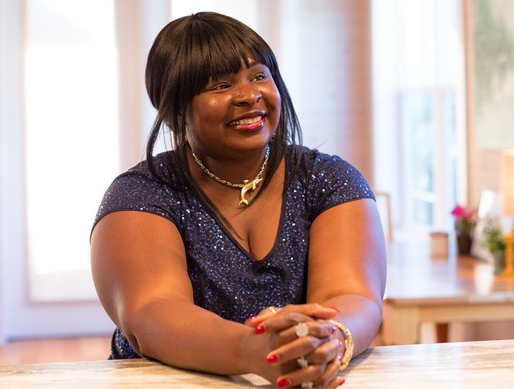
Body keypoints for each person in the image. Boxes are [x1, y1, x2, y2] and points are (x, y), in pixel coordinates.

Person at [91, 11, 386, 389]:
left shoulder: (329, 179)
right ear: (174, 108)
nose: (249, 95)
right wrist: (257, 351)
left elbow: (352, 295)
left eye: (259, 76)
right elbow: (152, 315)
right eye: (220, 85)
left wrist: (328, 337)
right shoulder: (141, 193)